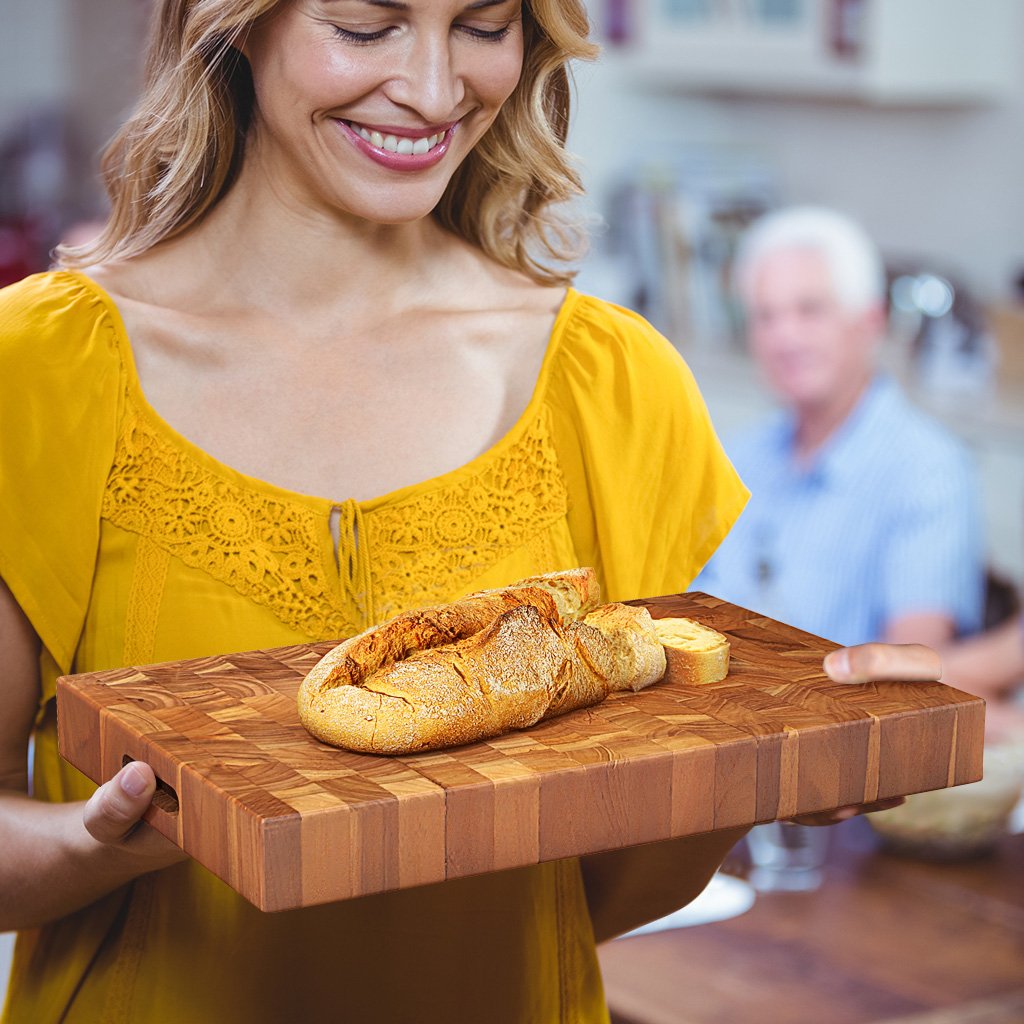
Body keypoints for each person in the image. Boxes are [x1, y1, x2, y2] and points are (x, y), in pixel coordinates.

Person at [0, 5, 929, 1021]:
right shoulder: (40, 371)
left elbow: (584, 896)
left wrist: (762, 768)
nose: (437, 92)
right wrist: (92, 849)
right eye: (367, 26)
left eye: (482, 26)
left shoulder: (609, 384)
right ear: (236, 23)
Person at [695, 206, 985, 651]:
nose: (783, 337)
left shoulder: (928, 470)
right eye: (765, 316)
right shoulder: (738, 457)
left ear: (870, 321)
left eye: (810, 310)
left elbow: (912, 675)